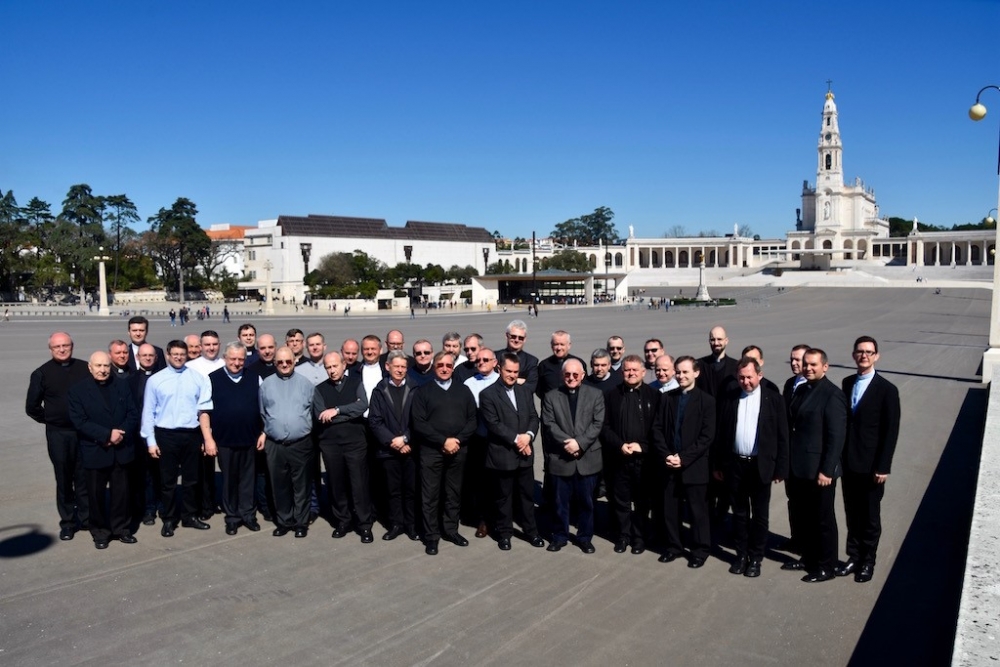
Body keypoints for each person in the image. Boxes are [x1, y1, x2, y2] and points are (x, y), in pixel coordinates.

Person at [714, 357, 789, 578]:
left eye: (749, 377)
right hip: (735, 465)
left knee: (759, 515)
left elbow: (782, 436)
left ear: (760, 375)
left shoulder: (773, 399)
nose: (745, 382)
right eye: (741, 377)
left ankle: (756, 558)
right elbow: (721, 434)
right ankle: (741, 555)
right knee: (739, 513)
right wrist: (718, 464)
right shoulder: (730, 398)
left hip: (760, 466)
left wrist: (781, 468)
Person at [836, 336, 900, 583]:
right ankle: (853, 556)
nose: (864, 355)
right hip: (849, 462)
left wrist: (883, 466)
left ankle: (868, 561)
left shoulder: (887, 390)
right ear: (854, 355)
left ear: (876, 356)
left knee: (870, 516)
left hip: (872, 465)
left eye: (869, 352)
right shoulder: (847, 382)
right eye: (860, 351)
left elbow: (890, 431)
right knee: (852, 512)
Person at [783, 348, 848, 583]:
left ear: (825, 367)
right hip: (800, 467)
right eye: (806, 364)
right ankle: (809, 558)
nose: (808, 368)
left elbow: (836, 437)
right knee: (806, 517)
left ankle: (826, 566)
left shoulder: (832, 395)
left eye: (813, 365)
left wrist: (827, 470)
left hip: (820, 470)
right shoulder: (802, 389)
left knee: (823, 519)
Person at [140, 340, 214, 536]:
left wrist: (205, 438)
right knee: (168, 482)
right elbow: (148, 413)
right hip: (166, 435)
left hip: (191, 434)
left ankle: (190, 516)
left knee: (192, 479)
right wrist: (151, 441)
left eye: (182, 354)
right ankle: (169, 519)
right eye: (175, 354)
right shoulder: (156, 380)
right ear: (167, 355)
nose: (179, 357)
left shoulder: (198, 378)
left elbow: (204, 409)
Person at [68, 351, 139, 548]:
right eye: (98, 366)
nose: (103, 370)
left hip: (121, 449)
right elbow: (79, 421)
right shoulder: (78, 391)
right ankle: (100, 532)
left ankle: (121, 529)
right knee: (95, 495)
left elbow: (133, 414)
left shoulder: (122, 385)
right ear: (90, 368)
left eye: (106, 366)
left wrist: (120, 434)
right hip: (96, 449)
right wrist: (107, 435)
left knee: (122, 494)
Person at [25, 332, 92, 540]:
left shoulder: (85, 368)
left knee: (84, 477)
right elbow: (32, 407)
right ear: (50, 349)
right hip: (59, 435)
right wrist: (52, 420)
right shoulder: (41, 373)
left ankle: (87, 518)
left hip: (83, 433)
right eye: (57, 347)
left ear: (72, 345)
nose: (62, 349)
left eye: (65, 345)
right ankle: (68, 523)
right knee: (63, 479)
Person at [411, 351, 478, 555]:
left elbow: (472, 419)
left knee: (453, 493)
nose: (445, 368)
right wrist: (443, 441)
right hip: (431, 452)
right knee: (430, 495)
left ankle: (450, 530)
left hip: (458, 450)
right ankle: (431, 536)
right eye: (440, 365)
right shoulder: (423, 392)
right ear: (434, 367)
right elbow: (419, 423)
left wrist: (457, 440)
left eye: (449, 365)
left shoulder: (463, 390)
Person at [651, 356, 716, 568]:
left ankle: (700, 550)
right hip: (669, 464)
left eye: (685, 372)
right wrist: (666, 455)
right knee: (671, 510)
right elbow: (657, 429)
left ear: (696, 373)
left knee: (698, 512)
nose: (681, 376)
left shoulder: (707, 401)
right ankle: (674, 546)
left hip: (694, 465)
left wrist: (684, 458)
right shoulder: (667, 398)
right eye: (678, 372)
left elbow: (706, 436)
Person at [479, 352, 545, 550]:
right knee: (503, 498)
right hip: (502, 455)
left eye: (516, 372)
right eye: (509, 371)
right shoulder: (488, 394)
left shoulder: (525, 392)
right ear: (499, 368)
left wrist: (529, 436)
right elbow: (493, 424)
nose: (512, 375)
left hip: (525, 455)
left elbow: (534, 417)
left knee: (527, 496)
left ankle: (531, 532)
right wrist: (519, 440)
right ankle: (505, 534)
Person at [541, 358, 605, 553]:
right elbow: (549, 423)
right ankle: (559, 536)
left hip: (587, 458)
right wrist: (568, 443)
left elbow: (597, 423)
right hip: (561, 457)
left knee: (587, 503)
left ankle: (584, 537)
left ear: (583, 375)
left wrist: (580, 443)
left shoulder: (595, 394)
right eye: (567, 374)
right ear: (562, 375)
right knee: (560, 503)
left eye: (575, 374)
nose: (571, 377)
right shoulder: (551, 396)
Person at [601, 354, 659, 555]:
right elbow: (604, 426)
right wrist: (620, 445)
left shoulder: (654, 396)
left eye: (635, 370)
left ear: (643, 372)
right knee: (621, 501)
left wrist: (643, 446)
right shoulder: (611, 395)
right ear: (622, 372)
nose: (631, 373)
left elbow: (658, 428)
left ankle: (639, 538)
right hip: (619, 458)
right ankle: (623, 536)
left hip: (643, 460)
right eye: (627, 370)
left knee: (642, 502)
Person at [314, 351, 372, 542]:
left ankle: (364, 524)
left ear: (344, 365)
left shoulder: (355, 383)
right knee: (336, 483)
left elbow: (362, 406)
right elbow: (321, 415)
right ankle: (343, 521)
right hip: (331, 444)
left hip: (355, 442)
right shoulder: (319, 389)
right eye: (328, 367)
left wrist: (337, 410)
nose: (332, 370)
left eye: (335, 366)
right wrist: (349, 412)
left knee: (359, 484)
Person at [259, 346, 316, 538]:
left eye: (288, 361)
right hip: (275, 445)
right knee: (279, 485)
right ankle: (284, 521)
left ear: (295, 361)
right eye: (280, 362)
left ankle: (301, 523)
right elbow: (263, 412)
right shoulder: (266, 384)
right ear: (275, 363)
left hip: (300, 443)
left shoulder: (306, 384)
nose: (284, 365)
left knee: (301, 486)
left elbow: (312, 411)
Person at [208, 342, 263, 535]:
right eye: (233, 359)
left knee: (248, 480)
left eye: (241, 359)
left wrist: (263, 432)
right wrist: (208, 438)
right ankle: (232, 517)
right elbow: (204, 410)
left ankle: (248, 515)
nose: (237, 363)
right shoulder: (213, 379)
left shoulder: (254, 378)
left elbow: (264, 407)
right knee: (229, 481)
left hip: (250, 439)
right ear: (225, 358)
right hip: (224, 440)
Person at [368, 350, 420, 541]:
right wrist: (393, 442)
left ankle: (411, 525)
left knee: (411, 489)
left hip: (410, 449)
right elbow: (375, 421)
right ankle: (396, 524)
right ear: (387, 366)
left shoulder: (415, 388)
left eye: (403, 367)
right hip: (388, 451)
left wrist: (405, 439)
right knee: (392, 490)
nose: (400, 370)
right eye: (396, 366)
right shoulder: (379, 390)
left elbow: (419, 419)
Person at [462, 347, 499, 539]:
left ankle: (500, 519)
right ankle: (483, 520)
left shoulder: (501, 380)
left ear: (495, 362)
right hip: (477, 439)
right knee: (479, 483)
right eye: (478, 360)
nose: (481, 363)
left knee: (498, 482)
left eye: (486, 359)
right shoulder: (469, 383)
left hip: (498, 440)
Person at [128, 343, 162, 528]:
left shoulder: (163, 377)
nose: (148, 358)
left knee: (160, 472)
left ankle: (161, 505)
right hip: (138, 435)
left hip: (160, 433)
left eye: (151, 355)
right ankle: (147, 508)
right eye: (144, 355)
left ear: (156, 358)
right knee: (143, 473)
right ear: (137, 358)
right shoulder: (130, 380)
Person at [536, 330, 584, 400]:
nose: (559, 348)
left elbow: (585, 387)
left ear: (569, 345)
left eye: (562, 344)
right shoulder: (543, 365)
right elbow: (539, 389)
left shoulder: (578, 363)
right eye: (556, 344)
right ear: (551, 345)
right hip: (550, 404)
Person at [697, 326, 739, 398]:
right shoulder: (699, 365)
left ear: (726, 341)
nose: (716, 343)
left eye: (719, 339)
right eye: (713, 339)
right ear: (709, 341)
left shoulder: (736, 366)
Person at [498, 320, 538, 394]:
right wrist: (518, 380)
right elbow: (490, 381)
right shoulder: (495, 357)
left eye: (520, 338)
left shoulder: (531, 361)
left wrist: (505, 379)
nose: (516, 340)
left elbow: (531, 387)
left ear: (525, 339)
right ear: (507, 336)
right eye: (513, 336)